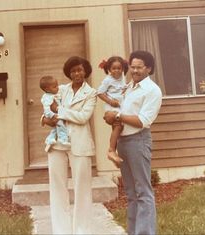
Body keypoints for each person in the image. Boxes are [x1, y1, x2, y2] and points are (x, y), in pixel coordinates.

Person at [104, 50, 162, 235]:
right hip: (124, 141)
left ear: (149, 68)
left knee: (143, 192)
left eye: (139, 67)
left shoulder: (152, 90)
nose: (134, 70)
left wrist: (118, 115)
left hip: (139, 141)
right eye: (132, 67)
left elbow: (143, 120)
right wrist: (112, 117)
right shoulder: (129, 87)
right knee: (131, 193)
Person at [41, 56, 97, 234]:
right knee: (57, 188)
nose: (76, 74)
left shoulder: (91, 93)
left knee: (82, 189)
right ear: (69, 73)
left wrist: (60, 112)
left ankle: (82, 231)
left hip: (80, 144)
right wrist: (45, 119)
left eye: (80, 70)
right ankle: (61, 230)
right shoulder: (61, 90)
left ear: (86, 71)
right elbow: (48, 104)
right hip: (58, 143)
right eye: (73, 71)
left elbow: (82, 117)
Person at [97, 56, 128, 167]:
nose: (117, 71)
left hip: (121, 106)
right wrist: (110, 102)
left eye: (119, 68)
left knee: (118, 128)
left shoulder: (123, 77)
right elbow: (100, 93)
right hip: (112, 107)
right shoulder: (108, 80)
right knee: (118, 126)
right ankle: (111, 150)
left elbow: (122, 89)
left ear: (123, 69)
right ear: (109, 70)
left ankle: (114, 153)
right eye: (114, 68)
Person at [40, 75, 70, 152]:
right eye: (54, 86)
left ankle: (49, 140)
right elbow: (46, 109)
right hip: (51, 115)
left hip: (56, 114)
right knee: (60, 125)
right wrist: (52, 115)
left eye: (57, 85)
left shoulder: (55, 93)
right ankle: (63, 139)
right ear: (47, 89)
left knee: (55, 129)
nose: (57, 87)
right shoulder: (47, 97)